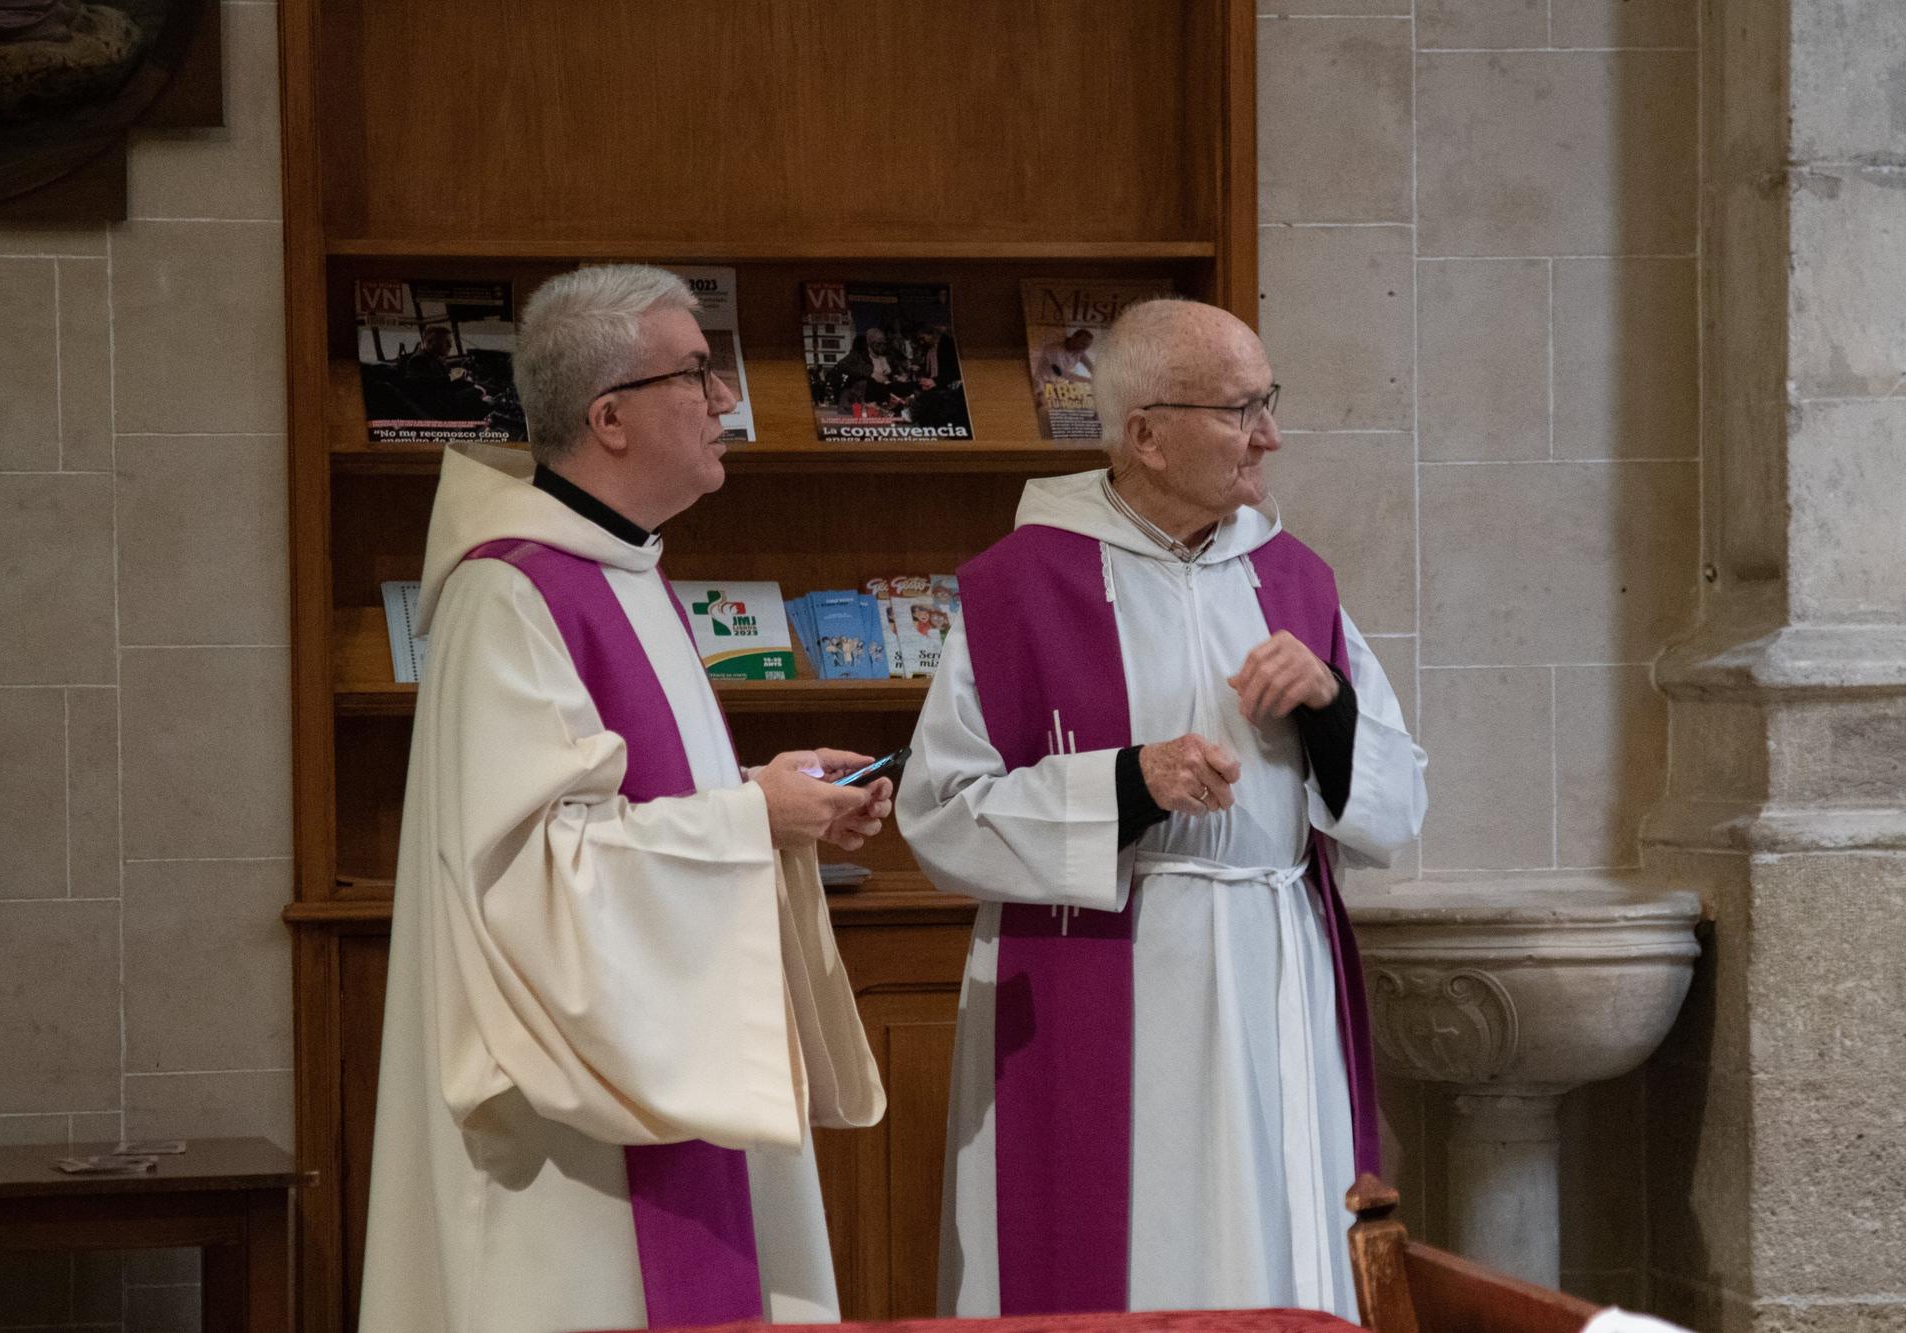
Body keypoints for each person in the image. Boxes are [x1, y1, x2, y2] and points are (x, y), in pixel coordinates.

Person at [360, 264, 890, 1332]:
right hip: (574, 1130)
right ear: (608, 416)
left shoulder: (623, 570)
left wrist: (770, 799)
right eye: (698, 374)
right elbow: (526, 875)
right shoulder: (511, 590)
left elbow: (621, 803)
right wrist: (751, 821)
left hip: (652, 1071)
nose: (726, 400)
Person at [898, 297, 1427, 1320]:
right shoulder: (1016, 590)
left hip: (1278, 969)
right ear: (1145, 433)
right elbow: (940, 814)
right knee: (1128, 1252)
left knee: (1279, 1239)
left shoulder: (1293, 576)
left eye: (1265, 402)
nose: (1268, 435)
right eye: (1239, 410)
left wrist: (1326, 706)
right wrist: (1130, 784)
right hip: (1110, 972)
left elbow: (1396, 803)